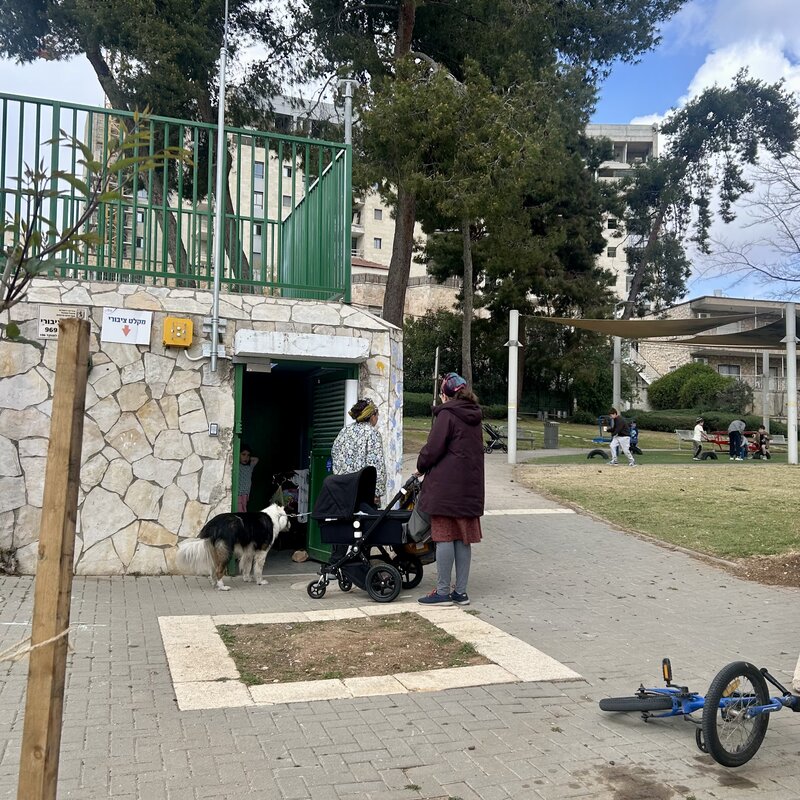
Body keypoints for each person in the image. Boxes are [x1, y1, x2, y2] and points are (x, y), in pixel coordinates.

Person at [416, 372, 485, 606]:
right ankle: (461, 592)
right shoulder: (475, 417)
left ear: (445, 394)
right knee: (463, 539)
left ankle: (443, 591)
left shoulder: (447, 415)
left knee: (444, 536)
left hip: (446, 488)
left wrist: (420, 466)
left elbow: (433, 448)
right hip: (470, 487)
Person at [331, 398, 386, 506]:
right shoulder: (372, 433)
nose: (377, 418)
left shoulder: (344, 431)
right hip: (364, 492)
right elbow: (376, 464)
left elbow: (335, 454)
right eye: (377, 415)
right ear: (372, 416)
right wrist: (377, 492)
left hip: (344, 490)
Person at [237, 444, 259, 512]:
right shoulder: (237, 465)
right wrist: (238, 457)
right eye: (243, 454)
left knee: (244, 509)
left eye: (248, 455)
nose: (246, 457)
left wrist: (248, 459)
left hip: (245, 494)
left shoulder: (250, 466)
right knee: (239, 510)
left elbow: (256, 459)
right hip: (238, 493)